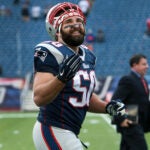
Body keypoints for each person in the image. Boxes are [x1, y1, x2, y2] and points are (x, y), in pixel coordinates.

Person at [32, 2, 126, 150]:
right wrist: (61, 78)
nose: (76, 25)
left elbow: (84, 97)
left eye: (79, 21)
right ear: (56, 30)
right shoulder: (50, 51)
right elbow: (39, 98)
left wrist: (107, 107)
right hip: (53, 128)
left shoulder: (88, 56)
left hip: (69, 131)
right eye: (68, 22)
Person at [111, 54, 150, 150]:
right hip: (130, 119)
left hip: (139, 121)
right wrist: (121, 119)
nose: (147, 66)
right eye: (144, 64)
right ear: (134, 65)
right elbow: (115, 100)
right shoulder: (128, 79)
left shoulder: (142, 80)